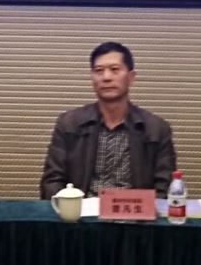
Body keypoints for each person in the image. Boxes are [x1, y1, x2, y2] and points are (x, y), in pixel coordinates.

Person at [39, 41, 177, 197]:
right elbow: (52, 181)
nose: (106, 77)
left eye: (114, 69)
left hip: (134, 210)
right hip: (82, 209)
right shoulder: (69, 124)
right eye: (99, 71)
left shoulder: (156, 129)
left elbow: (165, 188)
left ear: (131, 77)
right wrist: (69, 207)